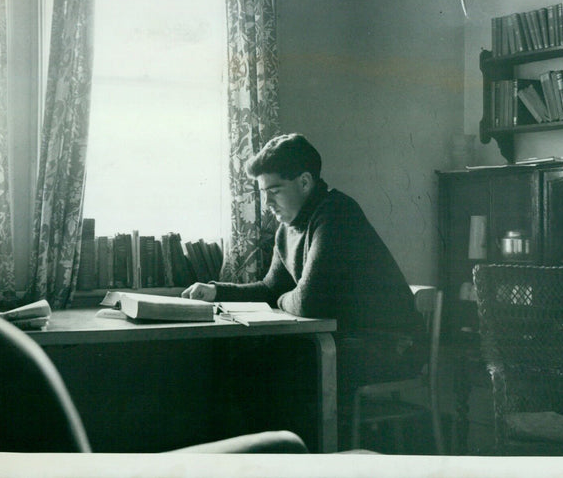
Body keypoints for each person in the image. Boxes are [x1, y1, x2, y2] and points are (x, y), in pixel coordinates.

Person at [182, 133, 425, 447]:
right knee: (244, 360)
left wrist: (283, 298)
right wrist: (216, 291)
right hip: (344, 341)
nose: (267, 204)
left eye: (274, 191)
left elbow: (309, 302)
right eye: (263, 193)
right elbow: (272, 288)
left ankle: (303, 458)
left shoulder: (336, 214)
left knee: (276, 366)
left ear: (306, 182)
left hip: (390, 347)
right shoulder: (288, 229)